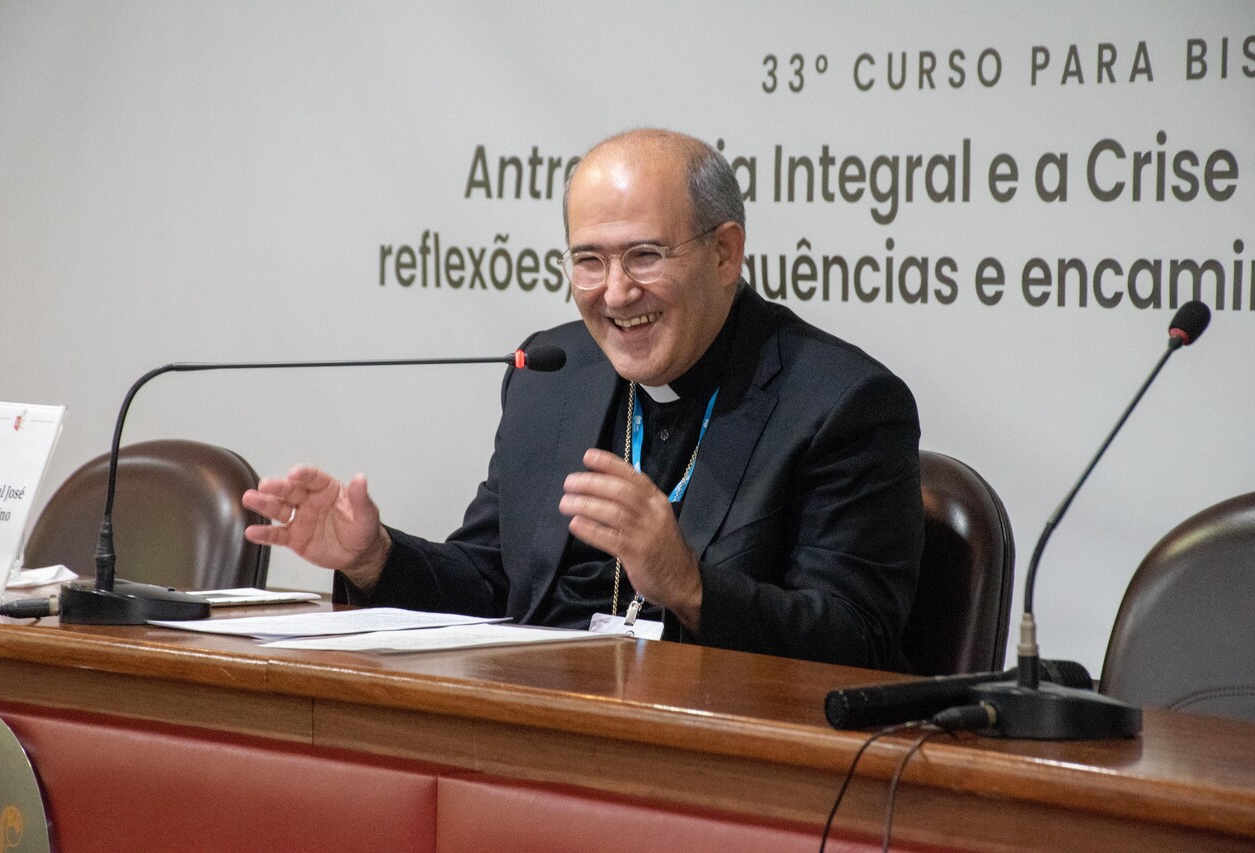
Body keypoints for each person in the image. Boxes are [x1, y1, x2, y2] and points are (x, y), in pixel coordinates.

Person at [243, 128, 923, 669]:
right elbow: (491, 581)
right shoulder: (553, 372)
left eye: (645, 256)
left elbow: (856, 645)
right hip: (540, 725)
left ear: (725, 253)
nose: (616, 293)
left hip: (711, 756)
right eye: (589, 260)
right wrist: (376, 556)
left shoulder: (844, 403)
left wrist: (688, 585)